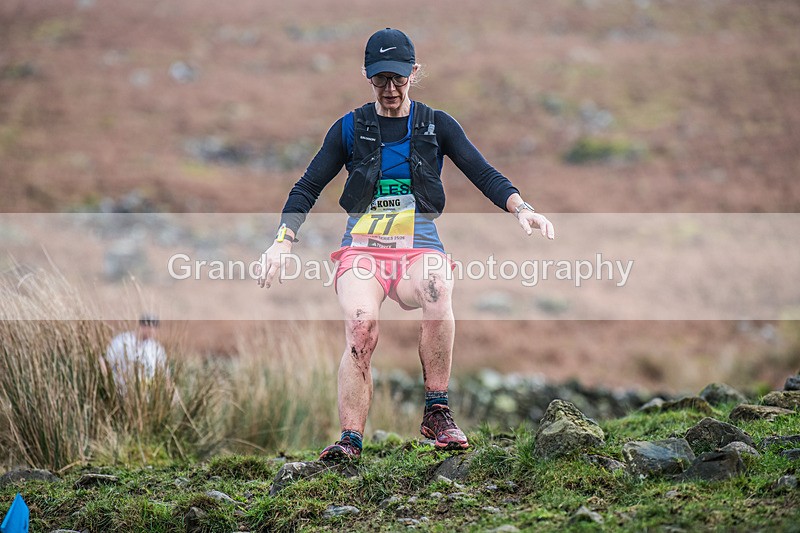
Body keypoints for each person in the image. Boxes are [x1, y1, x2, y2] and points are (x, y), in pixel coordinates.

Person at [257, 28, 555, 461]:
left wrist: (521, 207)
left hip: (419, 249)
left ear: (414, 72)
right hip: (362, 250)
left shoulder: (437, 125)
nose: (391, 89)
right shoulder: (349, 128)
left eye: (398, 78)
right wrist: (283, 241)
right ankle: (350, 441)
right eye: (380, 80)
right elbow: (306, 187)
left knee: (439, 289)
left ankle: (437, 412)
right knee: (361, 327)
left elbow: (483, 173)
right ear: (367, 76)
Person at [105, 314, 167, 387]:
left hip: (145, 394)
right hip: (120, 390)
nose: (152, 330)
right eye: (149, 326)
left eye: (154, 327)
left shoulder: (157, 349)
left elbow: (165, 374)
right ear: (142, 326)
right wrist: (108, 383)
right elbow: (105, 361)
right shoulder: (122, 340)